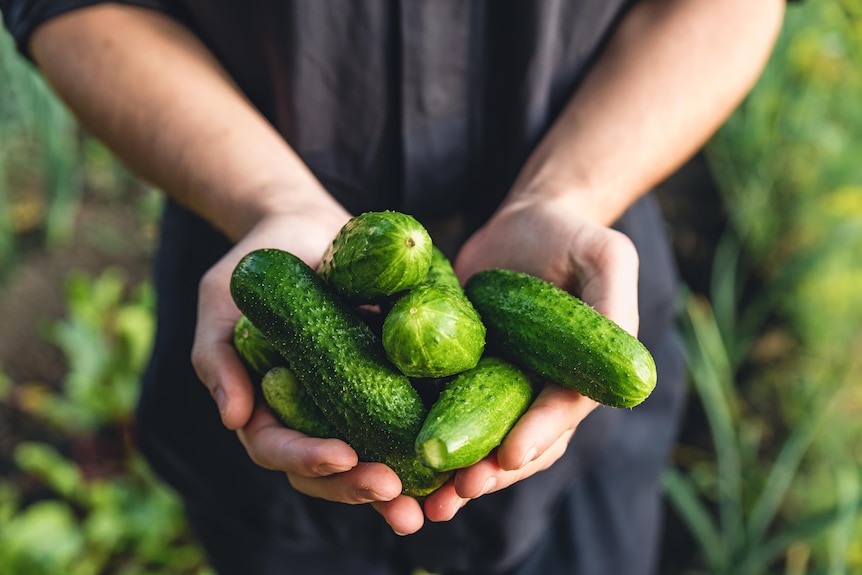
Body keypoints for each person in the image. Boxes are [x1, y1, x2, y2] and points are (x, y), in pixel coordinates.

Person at [0, 1, 785, 573]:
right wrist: (270, 200)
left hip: (572, 249)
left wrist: (567, 196)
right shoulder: (289, 290)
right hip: (250, 233)